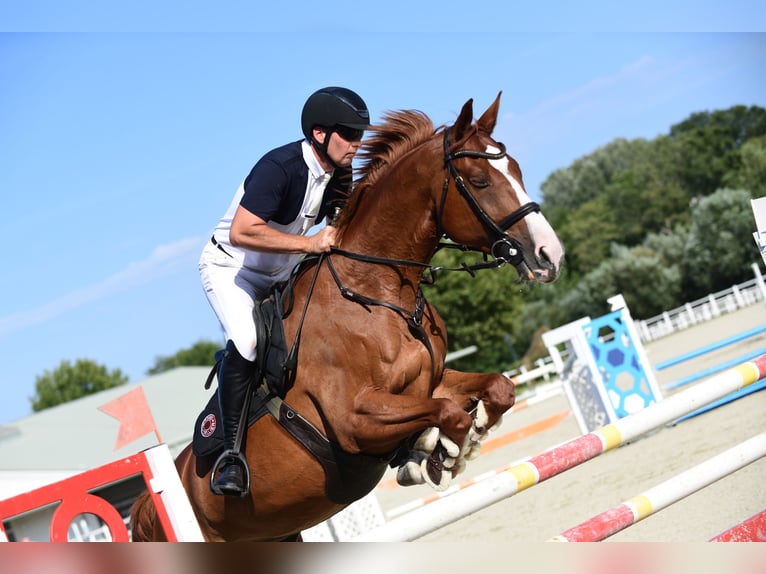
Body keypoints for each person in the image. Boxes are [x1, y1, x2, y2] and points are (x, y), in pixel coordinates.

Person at [198, 87, 370, 496]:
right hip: (232, 269)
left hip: (280, 268)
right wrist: (310, 244)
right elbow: (242, 233)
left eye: (360, 134)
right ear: (319, 134)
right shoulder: (281, 166)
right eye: (349, 134)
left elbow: (342, 224)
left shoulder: (338, 173)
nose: (357, 144)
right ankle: (230, 456)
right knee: (247, 341)